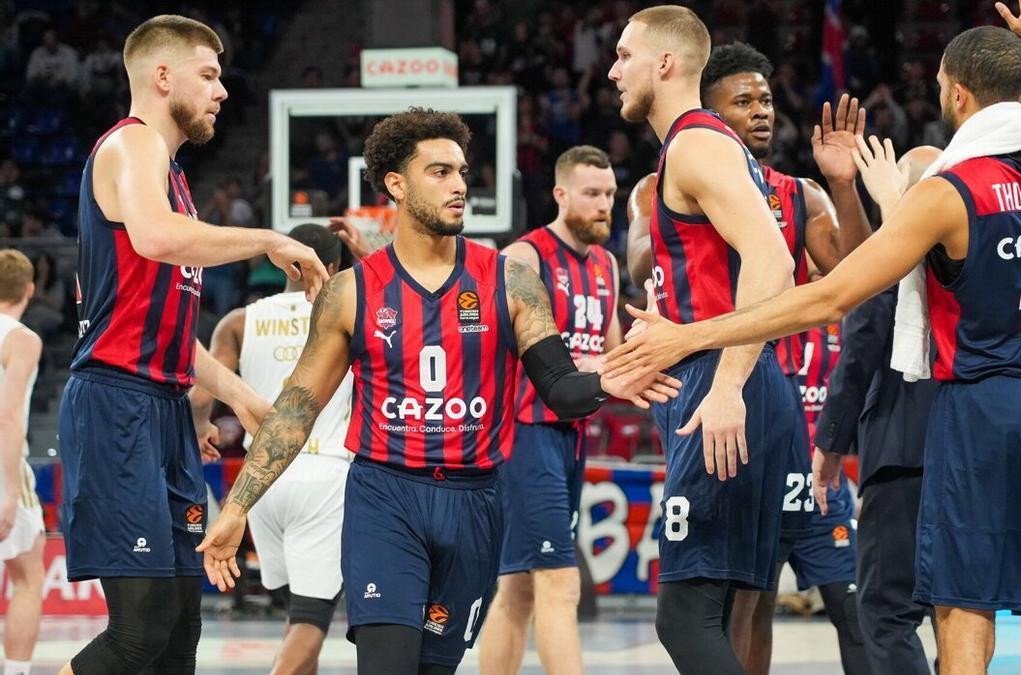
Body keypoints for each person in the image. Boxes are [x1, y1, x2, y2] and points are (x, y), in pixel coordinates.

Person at [605, 1, 1021, 671]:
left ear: (955, 92)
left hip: (985, 406)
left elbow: (830, 294)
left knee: (963, 612)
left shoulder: (948, 192)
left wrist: (690, 336)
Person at [195, 108, 679, 674]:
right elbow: (295, 413)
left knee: (434, 668)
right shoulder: (350, 293)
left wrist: (606, 380)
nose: (458, 186)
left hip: (474, 503)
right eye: (440, 172)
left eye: (462, 172)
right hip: (385, 497)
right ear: (396, 184)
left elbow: (560, 389)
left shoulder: (510, 280)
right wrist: (236, 507)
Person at [57, 15, 327, 675]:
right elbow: (155, 238)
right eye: (208, 75)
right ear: (161, 76)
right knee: (140, 629)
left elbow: (169, 330)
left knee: (180, 628)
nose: (221, 90)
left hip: (161, 408)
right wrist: (268, 238)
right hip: (117, 403)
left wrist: (239, 397)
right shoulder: (133, 146)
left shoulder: (171, 181)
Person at [607, 9, 815, 673]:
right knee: (729, 612)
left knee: (685, 616)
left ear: (665, 63)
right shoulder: (705, 147)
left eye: (625, 55)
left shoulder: (696, 144)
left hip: (723, 385)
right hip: (739, 381)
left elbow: (773, 261)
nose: (613, 70)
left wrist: (725, 385)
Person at [685, 42, 874, 675]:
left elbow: (856, 274)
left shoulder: (799, 196)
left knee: (850, 605)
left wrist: (844, 187)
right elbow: (642, 262)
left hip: (796, 431)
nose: (761, 110)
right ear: (708, 112)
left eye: (765, 99)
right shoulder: (682, 188)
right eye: (743, 100)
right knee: (746, 601)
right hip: (731, 412)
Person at [478, 145, 622, 675]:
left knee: (517, 588)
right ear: (561, 194)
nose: (604, 204)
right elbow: (499, 343)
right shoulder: (525, 256)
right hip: (524, 432)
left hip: (572, 434)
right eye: (591, 194)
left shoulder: (607, 263)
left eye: (609, 194)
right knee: (561, 583)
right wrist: (584, 359)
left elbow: (611, 351)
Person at [192, 224, 352, 675]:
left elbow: (202, 395)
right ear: (334, 268)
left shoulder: (240, 321)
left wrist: (202, 427)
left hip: (260, 480)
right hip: (323, 471)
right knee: (311, 617)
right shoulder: (346, 313)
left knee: (293, 613)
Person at [818, 146, 943, 674]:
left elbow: (861, 346)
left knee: (886, 611)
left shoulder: (899, 250)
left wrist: (829, 447)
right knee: (957, 607)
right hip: (971, 449)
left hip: (903, 451)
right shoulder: (983, 245)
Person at [0, 251, 44, 675]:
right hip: (3, 464)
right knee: (28, 579)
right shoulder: (21, 338)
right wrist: (10, 491)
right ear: (29, 289)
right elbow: (8, 415)